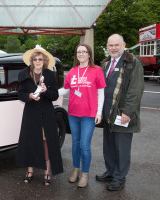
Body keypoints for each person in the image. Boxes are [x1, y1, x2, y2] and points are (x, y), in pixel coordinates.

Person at [95, 34, 144, 191]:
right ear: (107, 47)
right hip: (108, 113)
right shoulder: (106, 63)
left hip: (122, 114)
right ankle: (110, 172)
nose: (113, 48)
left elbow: (135, 90)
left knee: (121, 148)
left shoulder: (132, 63)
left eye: (116, 45)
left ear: (124, 44)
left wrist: (127, 112)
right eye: (110, 45)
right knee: (109, 146)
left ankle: (119, 178)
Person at [58, 44, 106, 188]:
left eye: (84, 52)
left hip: (89, 114)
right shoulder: (72, 71)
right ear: (76, 55)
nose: (81, 54)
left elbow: (101, 93)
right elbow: (65, 90)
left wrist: (99, 112)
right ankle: (75, 169)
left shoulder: (96, 70)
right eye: (78, 52)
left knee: (85, 145)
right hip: (73, 114)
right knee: (75, 144)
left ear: (89, 54)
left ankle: (85, 173)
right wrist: (47, 91)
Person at [16, 45, 63, 186]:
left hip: (46, 114)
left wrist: (46, 90)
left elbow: (54, 96)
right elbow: (20, 94)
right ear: (32, 61)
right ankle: (30, 171)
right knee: (30, 142)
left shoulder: (49, 74)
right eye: (35, 59)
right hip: (30, 113)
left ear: (44, 61)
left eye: (40, 59)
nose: (37, 61)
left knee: (46, 142)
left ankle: (47, 172)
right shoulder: (24, 73)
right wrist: (29, 96)